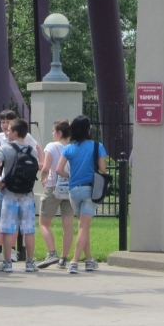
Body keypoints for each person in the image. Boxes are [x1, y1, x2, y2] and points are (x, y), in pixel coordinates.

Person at [0, 109, 39, 263]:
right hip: (27, 192)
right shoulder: (32, 151)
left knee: (7, 227)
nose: (6, 129)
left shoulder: (5, 148)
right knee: (28, 229)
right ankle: (30, 262)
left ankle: (7, 262)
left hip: (9, 191)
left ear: (14, 132)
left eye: (9, 127)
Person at [56, 115, 107, 275]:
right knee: (84, 227)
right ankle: (74, 261)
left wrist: (71, 176)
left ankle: (89, 260)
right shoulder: (97, 146)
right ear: (88, 129)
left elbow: (58, 170)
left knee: (83, 227)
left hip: (73, 191)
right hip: (90, 190)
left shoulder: (68, 148)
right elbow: (103, 169)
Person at [38, 119, 72, 269]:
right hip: (69, 188)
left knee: (44, 222)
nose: (52, 133)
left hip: (53, 186)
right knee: (68, 226)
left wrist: (42, 178)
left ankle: (52, 253)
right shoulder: (72, 147)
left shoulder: (51, 146)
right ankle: (64, 259)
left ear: (59, 132)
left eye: (53, 130)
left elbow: (46, 168)